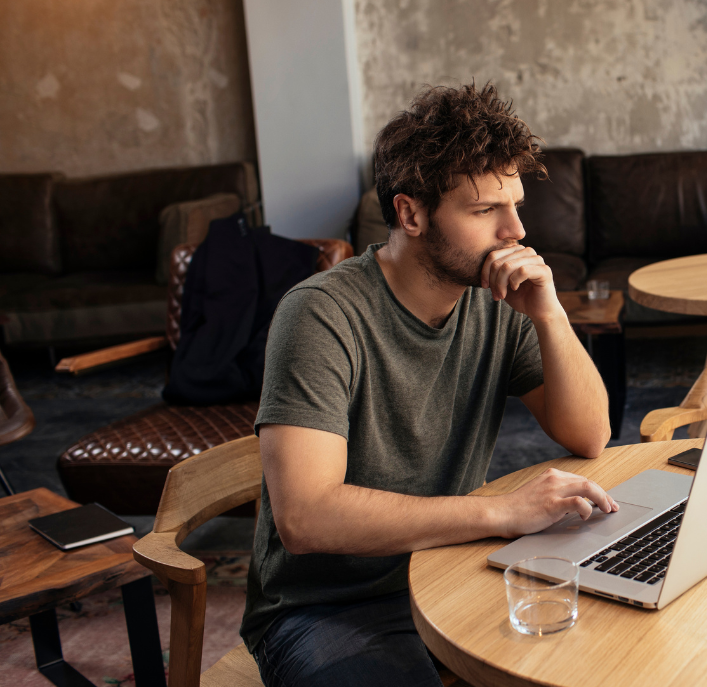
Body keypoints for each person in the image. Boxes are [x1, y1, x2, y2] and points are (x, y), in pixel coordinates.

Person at [242, 83, 617, 686]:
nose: (514, 231)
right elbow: (306, 518)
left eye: (516, 204)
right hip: (330, 609)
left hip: (455, 568)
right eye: (484, 211)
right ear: (410, 213)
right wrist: (503, 512)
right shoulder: (319, 315)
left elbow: (591, 433)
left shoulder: (497, 299)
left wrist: (552, 314)